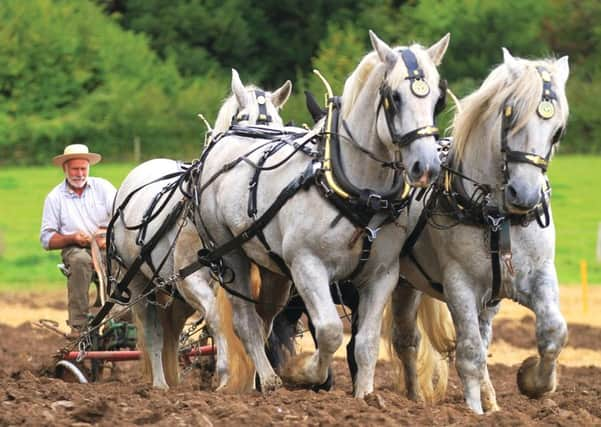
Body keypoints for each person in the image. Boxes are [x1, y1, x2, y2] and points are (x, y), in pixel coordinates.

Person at [40, 144, 116, 337]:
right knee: (80, 261)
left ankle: (119, 323)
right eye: (75, 169)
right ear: (65, 169)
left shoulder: (104, 188)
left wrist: (106, 237)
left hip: (106, 245)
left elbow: (121, 218)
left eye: (83, 168)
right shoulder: (54, 197)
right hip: (74, 248)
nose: (80, 173)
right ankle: (79, 326)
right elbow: (47, 239)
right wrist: (71, 238)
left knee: (122, 262)